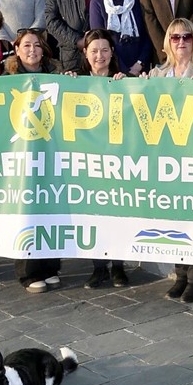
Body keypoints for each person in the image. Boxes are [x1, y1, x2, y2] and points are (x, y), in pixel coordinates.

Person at [148, 17, 193, 305]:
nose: (181, 42)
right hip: (167, 157)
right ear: (167, 41)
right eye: (175, 37)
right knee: (174, 216)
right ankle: (180, 273)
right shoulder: (157, 74)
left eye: (187, 37)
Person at [2, 30, 63, 292]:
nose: (32, 50)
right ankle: (28, 272)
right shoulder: (6, 80)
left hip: (49, 152)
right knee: (25, 210)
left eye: (37, 45)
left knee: (49, 206)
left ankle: (50, 266)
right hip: (20, 155)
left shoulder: (55, 76)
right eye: (26, 45)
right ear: (17, 49)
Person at [77, 30, 129, 290]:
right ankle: (98, 268)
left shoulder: (123, 80)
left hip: (117, 161)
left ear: (112, 53)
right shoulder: (75, 83)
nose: (100, 56)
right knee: (93, 215)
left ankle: (119, 267)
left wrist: (130, 85)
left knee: (117, 213)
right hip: (88, 161)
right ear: (85, 54)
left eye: (105, 50)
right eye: (94, 50)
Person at [90, 0, 152, 75]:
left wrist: (139, 65)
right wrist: (122, 69)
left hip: (140, 70)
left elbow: (149, 35)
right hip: (112, 71)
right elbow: (100, 39)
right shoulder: (97, 3)